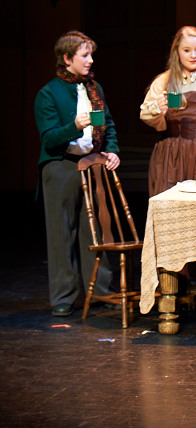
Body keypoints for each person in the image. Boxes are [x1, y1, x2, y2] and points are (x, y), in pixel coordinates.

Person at [35, 31, 120, 317]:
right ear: (67, 58)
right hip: (61, 166)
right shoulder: (49, 93)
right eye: (85, 55)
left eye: (90, 54)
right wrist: (74, 126)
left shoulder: (94, 88)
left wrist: (112, 150)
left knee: (94, 230)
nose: (90, 60)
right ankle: (63, 296)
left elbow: (108, 123)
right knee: (62, 232)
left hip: (92, 164)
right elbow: (49, 139)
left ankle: (100, 291)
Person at [140, 26, 196, 196]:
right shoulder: (164, 81)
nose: (193, 55)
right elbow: (147, 116)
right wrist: (159, 110)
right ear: (177, 52)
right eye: (187, 50)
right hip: (171, 154)